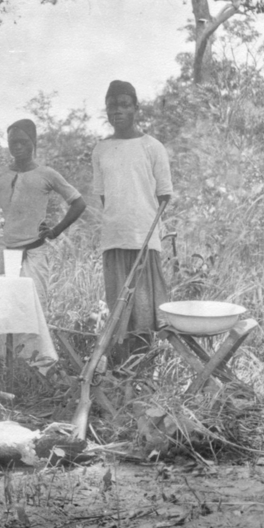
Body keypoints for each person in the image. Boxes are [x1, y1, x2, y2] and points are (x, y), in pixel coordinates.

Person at [91, 80, 173, 365]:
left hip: (144, 239)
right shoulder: (101, 150)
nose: (118, 111)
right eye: (112, 106)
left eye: (124, 105)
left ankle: (144, 371)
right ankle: (120, 373)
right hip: (114, 239)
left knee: (144, 313)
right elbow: (105, 196)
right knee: (119, 314)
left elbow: (164, 195)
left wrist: (145, 228)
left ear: (136, 108)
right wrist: (120, 221)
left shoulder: (152, 147)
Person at [0, 119, 86, 304]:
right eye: (13, 142)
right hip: (3, 254)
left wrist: (55, 231)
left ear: (33, 142)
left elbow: (78, 203)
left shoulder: (46, 174)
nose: (18, 146)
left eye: (23, 142)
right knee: (0, 308)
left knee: (33, 308)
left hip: (33, 253)